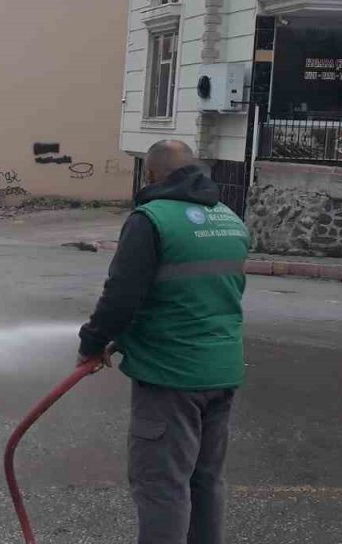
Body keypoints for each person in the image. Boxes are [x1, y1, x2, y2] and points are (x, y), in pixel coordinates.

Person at [78, 139, 249, 544]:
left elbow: (121, 294)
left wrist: (92, 343)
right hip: (222, 371)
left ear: (152, 174)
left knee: (162, 486)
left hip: (171, 376)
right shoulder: (229, 218)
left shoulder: (151, 219)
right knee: (205, 482)